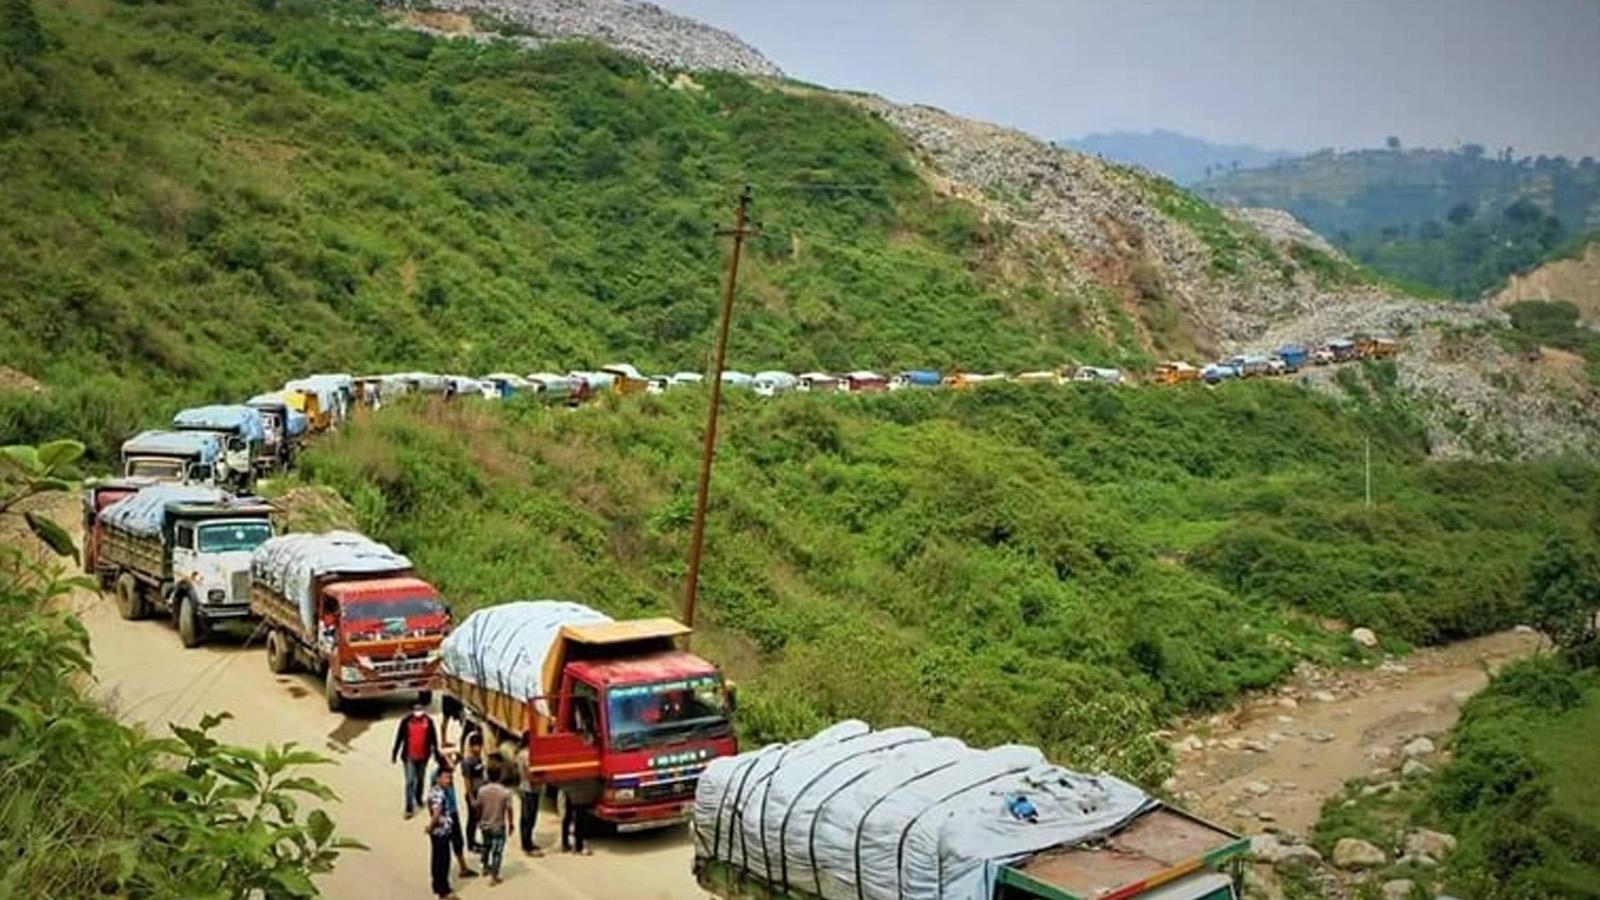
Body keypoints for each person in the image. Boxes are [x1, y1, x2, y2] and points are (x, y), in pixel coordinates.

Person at [429, 754, 481, 880]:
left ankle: (463, 867)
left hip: (453, 812)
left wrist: (457, 758)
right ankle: (441, 881)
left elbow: (454, 763)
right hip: (446, 814)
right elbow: (435, 803)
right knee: (443, 851)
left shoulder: (445, 772)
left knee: (458, 841)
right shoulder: (437, 777)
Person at [391, 703, 440, 818]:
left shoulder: (428, 722)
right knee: (410, 782)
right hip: (409, 757)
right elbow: (399, 738)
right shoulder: (406, 722)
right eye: (416, 710)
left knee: (420, 780)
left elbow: (434, 739)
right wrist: (395, 753)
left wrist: (436, 755)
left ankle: (418, 798)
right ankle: (409, 808)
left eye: (420, 709)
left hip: (423, 757)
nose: (418, 712)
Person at [425, 768, 461, 900]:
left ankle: (438, 885)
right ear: (438, 778)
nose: (448, 781)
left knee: (437, 860)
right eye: (446, 778)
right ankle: (443, 890)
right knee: (443, 861)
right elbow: (437, 812)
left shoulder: (435, 791)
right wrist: (431, 826)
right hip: (441, 832)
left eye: (450, 778)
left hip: (440, 831)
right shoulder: (439, 794)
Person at [476, 769, 516, 885]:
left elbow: (479, 806)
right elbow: (509, 809)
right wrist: (511, 824)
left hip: (485, 825)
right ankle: (494, 876)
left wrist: (479, 819)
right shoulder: (505, 792)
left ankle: (484, 867)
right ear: (501, 775)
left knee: (486, 846)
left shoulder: (482, 791)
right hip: (498, 826)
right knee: (497, 852)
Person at [514, 744, 545, 857]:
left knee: (526, 817)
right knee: (529, 818)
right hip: (530, 789)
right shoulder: (527, 755)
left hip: (525, 787)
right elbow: (529, 772)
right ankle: (527, 845)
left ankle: (527, 842)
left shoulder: (521, 753)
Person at [560, 776, 602, 856]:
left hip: (571, 784)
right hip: (580, 787)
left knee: (569, 814)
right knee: (580, 817)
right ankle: (578, 847)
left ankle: (565, 843)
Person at [459, 732, 486, 854]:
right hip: (473, 794)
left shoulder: (478, 759)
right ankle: (470, 843)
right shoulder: (467, 762)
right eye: (475, 746)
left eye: (480, 746)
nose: (478, 748)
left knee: (478, 819)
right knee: (472, 820)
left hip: (480, 794)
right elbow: (467, 781)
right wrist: (471, 798)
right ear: (470, 747)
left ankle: (475, 841)